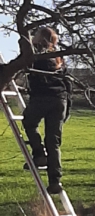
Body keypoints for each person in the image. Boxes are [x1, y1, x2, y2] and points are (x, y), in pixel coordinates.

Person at [22, 27, 72, 194]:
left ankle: (38, 153)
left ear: (41, 38)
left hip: (43, 97)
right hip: (60, 100)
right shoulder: (57, 56)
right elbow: (67, 82)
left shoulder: (35, 53)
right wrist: (67, 108)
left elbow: (17, 65)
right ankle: (55, 181)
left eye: (35, 35)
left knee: (29, 122)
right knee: (54, 142)